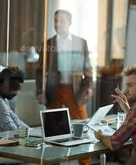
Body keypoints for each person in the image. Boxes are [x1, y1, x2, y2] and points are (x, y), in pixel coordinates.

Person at [36, 9, 92, 165]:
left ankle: (85, 163)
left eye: (60, 21)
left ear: (70, 23)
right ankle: (52, 162)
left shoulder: (81, 42)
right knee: (52, 131)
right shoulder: (48, 44)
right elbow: (40, 71)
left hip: (76, 91)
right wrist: (40, 91)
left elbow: (88, 68)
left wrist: (89, 85)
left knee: (82, 129)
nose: (57, 24)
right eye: (55, 20)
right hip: (54, 91)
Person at [0, 66, 28, 133]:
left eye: (19, 88)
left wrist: (29, 130)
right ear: (4, 84)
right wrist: (26, 133)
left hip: (6, 139)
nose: (17, 92)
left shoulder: (1, 98)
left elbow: (15, 119)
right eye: (15, 87)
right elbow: (12, 130)